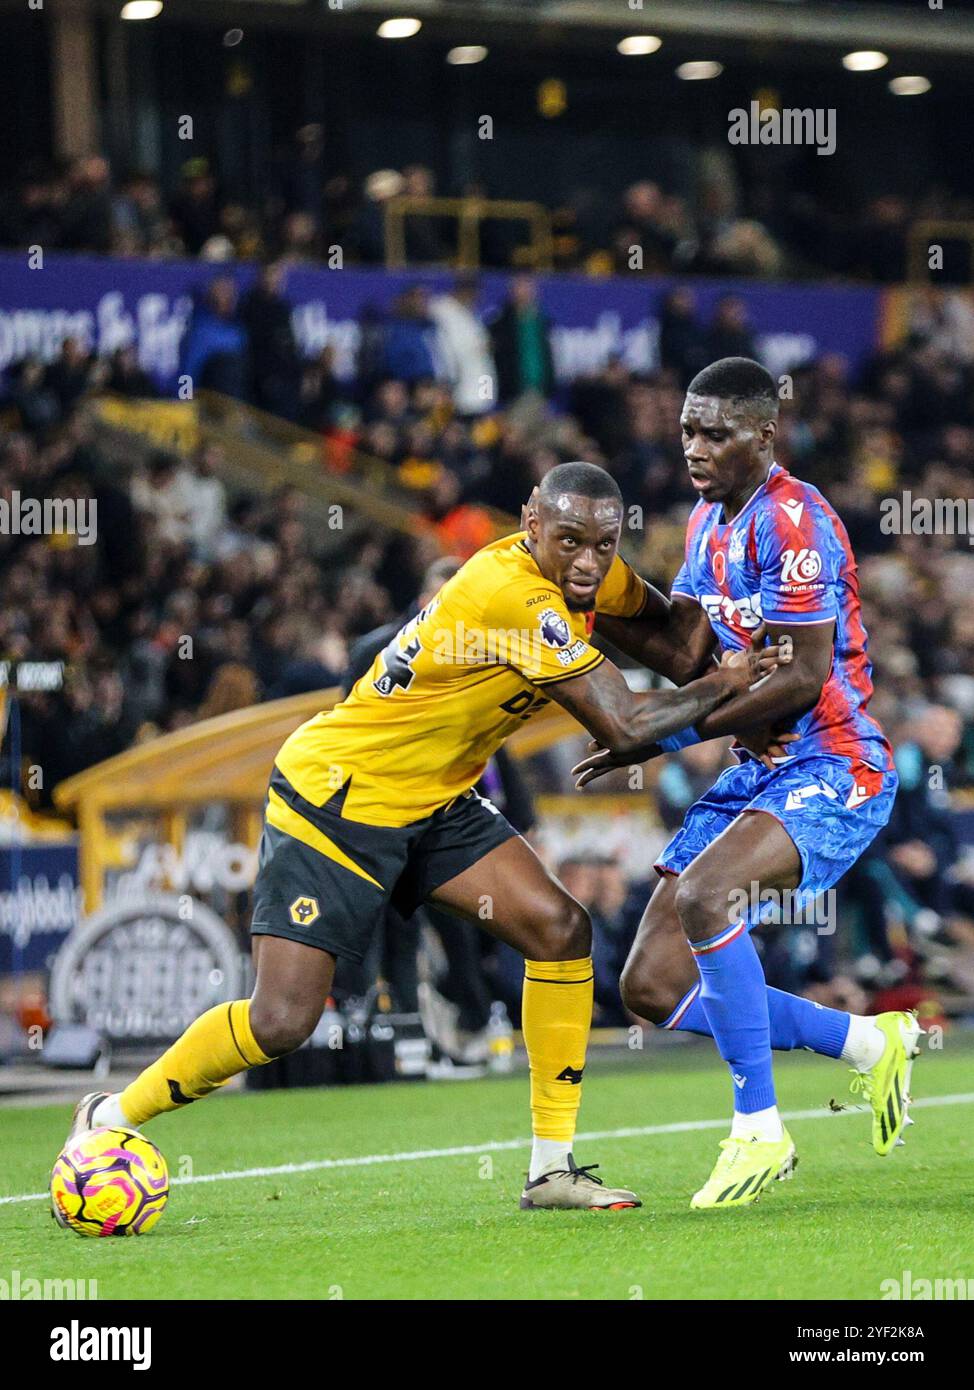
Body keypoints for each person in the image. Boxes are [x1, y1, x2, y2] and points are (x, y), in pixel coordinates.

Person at [65, 460, 784, 1213]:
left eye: (604, 545)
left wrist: (760, 658)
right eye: (569, 540)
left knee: (560, 928)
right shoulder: (510, 593)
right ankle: (109, 1117)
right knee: (282, 1020)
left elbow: (674, 646)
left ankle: (552, 1170)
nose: (588, 561)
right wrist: (731, 685)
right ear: (530, 520)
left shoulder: (585, 575)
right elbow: (626, 722)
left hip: (434, 797)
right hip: (340, 797)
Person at [573, 357, 920, 1210]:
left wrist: (660, 732)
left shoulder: (793, 520)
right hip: (755, 769)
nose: (693, 445)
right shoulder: (705, 523)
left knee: (706, 899)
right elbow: (694, 657)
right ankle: (868, 1046)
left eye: (715, 431)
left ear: (765, 436)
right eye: (688, 428)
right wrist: (590, 607)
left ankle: (757, 1129)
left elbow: (800, 679)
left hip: (834, 762)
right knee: (650, 985)